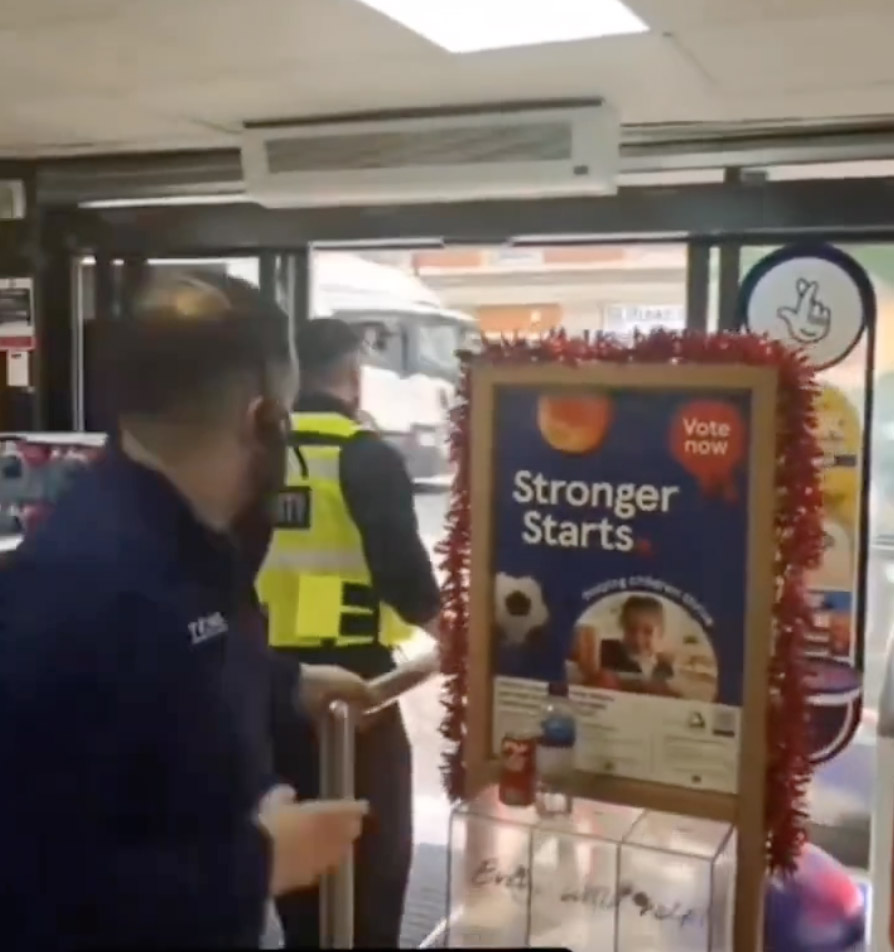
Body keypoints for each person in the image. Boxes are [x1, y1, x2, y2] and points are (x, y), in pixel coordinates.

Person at [0, 272, 375, 949]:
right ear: (262, 419)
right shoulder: (86, 589)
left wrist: (285, 682)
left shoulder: (178, 534)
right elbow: (31, 885)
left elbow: (191, 655)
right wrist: (260, 864)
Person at [256, 318, 441, 949]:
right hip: (354, 689)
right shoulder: (364, 455)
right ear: (354, 375)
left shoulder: (256, 452)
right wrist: (461, 642)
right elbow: (407, 581)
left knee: (294, 853)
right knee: (374, 854)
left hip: (269, 686)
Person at [600, 594, 675, 685]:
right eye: (631, 629)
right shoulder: (609, 656)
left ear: (660, 633)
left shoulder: (665, 669)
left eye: (648, 631)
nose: (638, 639)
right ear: (623, 629)